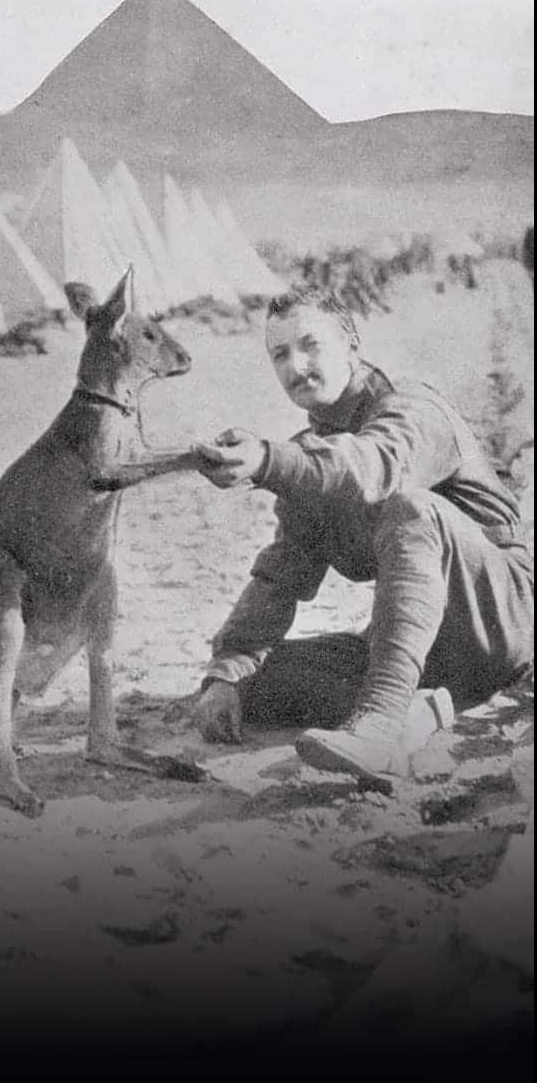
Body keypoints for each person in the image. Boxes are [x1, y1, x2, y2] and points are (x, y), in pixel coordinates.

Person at [191, 288, 534, 786]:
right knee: (253, 679)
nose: (296, 365)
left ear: (351, 342)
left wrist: (268, 461)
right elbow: (281, 575)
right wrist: (227, 671)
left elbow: (372, 468)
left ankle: (379, 723)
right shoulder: (312, 457)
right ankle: (421, 708)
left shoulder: (412, 410)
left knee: (411, 508)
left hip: (503, 623)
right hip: (421, 646)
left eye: (311, 345)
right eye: (280, 354)